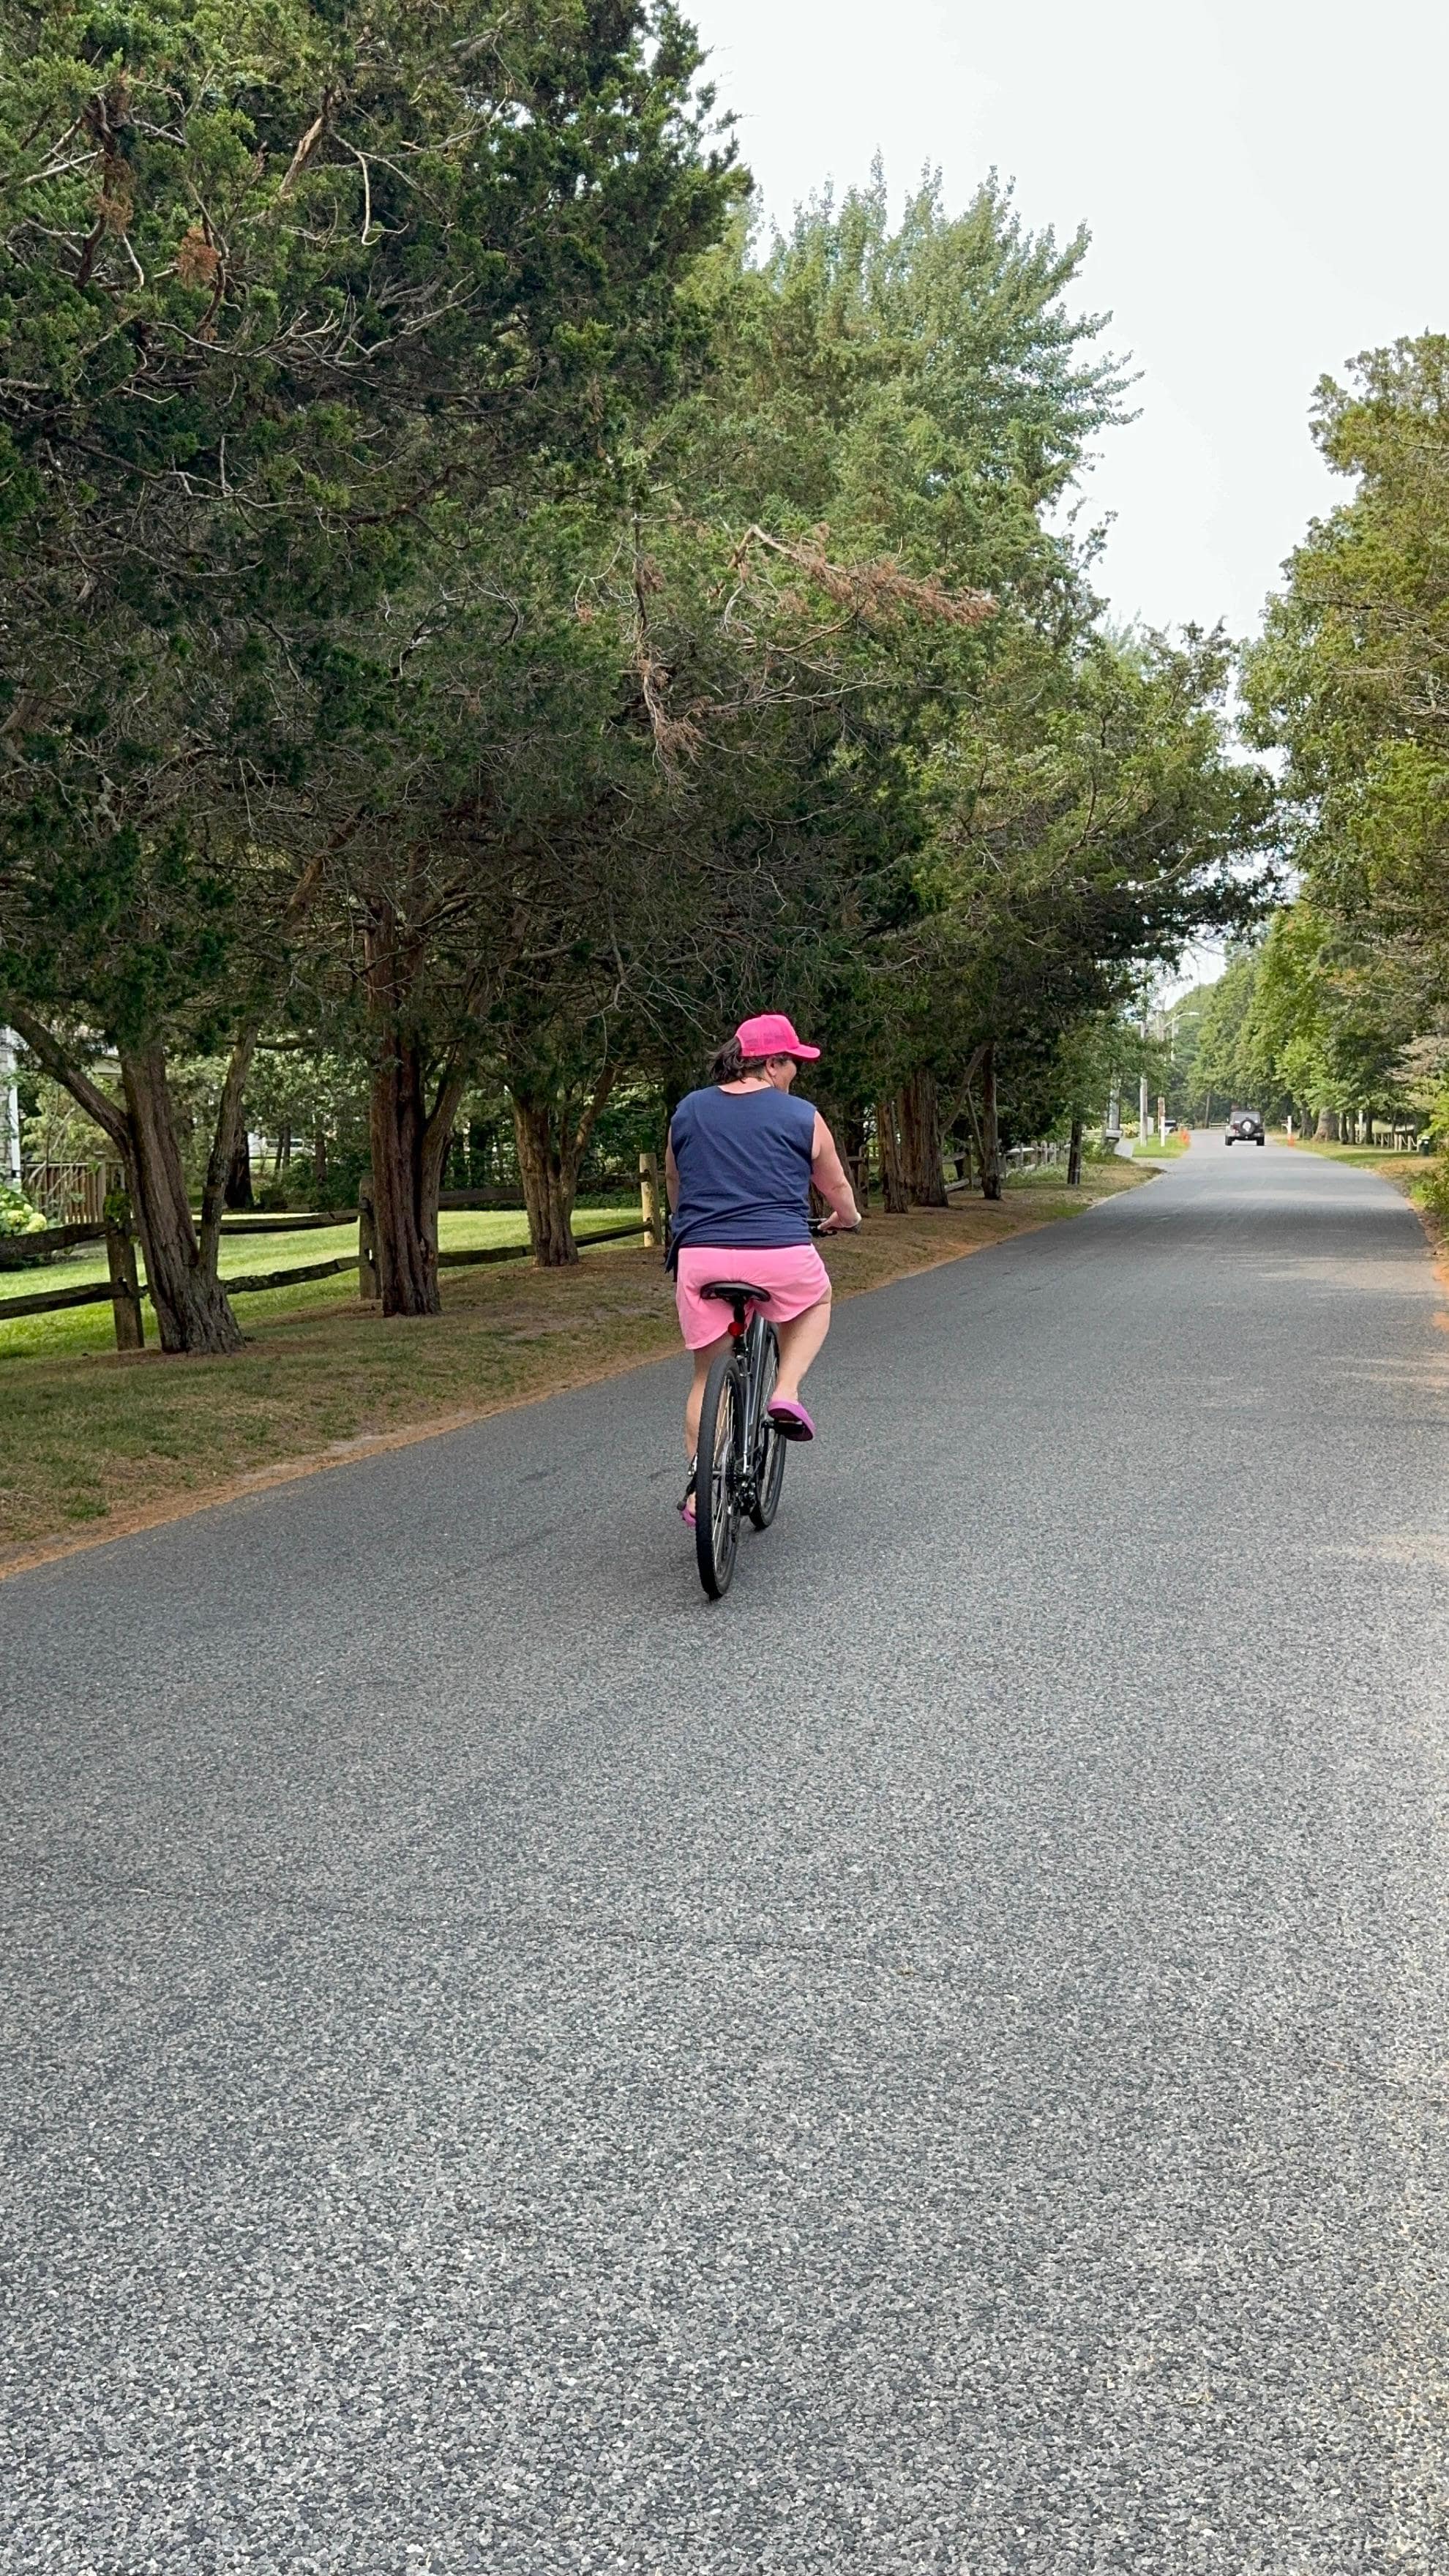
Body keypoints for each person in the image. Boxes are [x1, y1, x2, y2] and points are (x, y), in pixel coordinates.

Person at [665, 1011, 860, 1524]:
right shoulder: (801, 1116)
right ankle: (786, 1391)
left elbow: (675, 1178)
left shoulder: (688, 1110)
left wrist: (686, 1223)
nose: (796, 1072)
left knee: (708, 1374)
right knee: (818, 1299)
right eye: (793, 1062)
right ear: (771, 1063)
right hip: (780, 1253)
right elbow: (834, 1187)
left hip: (701, 1257)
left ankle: (696, 1493)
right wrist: (848, 1217)